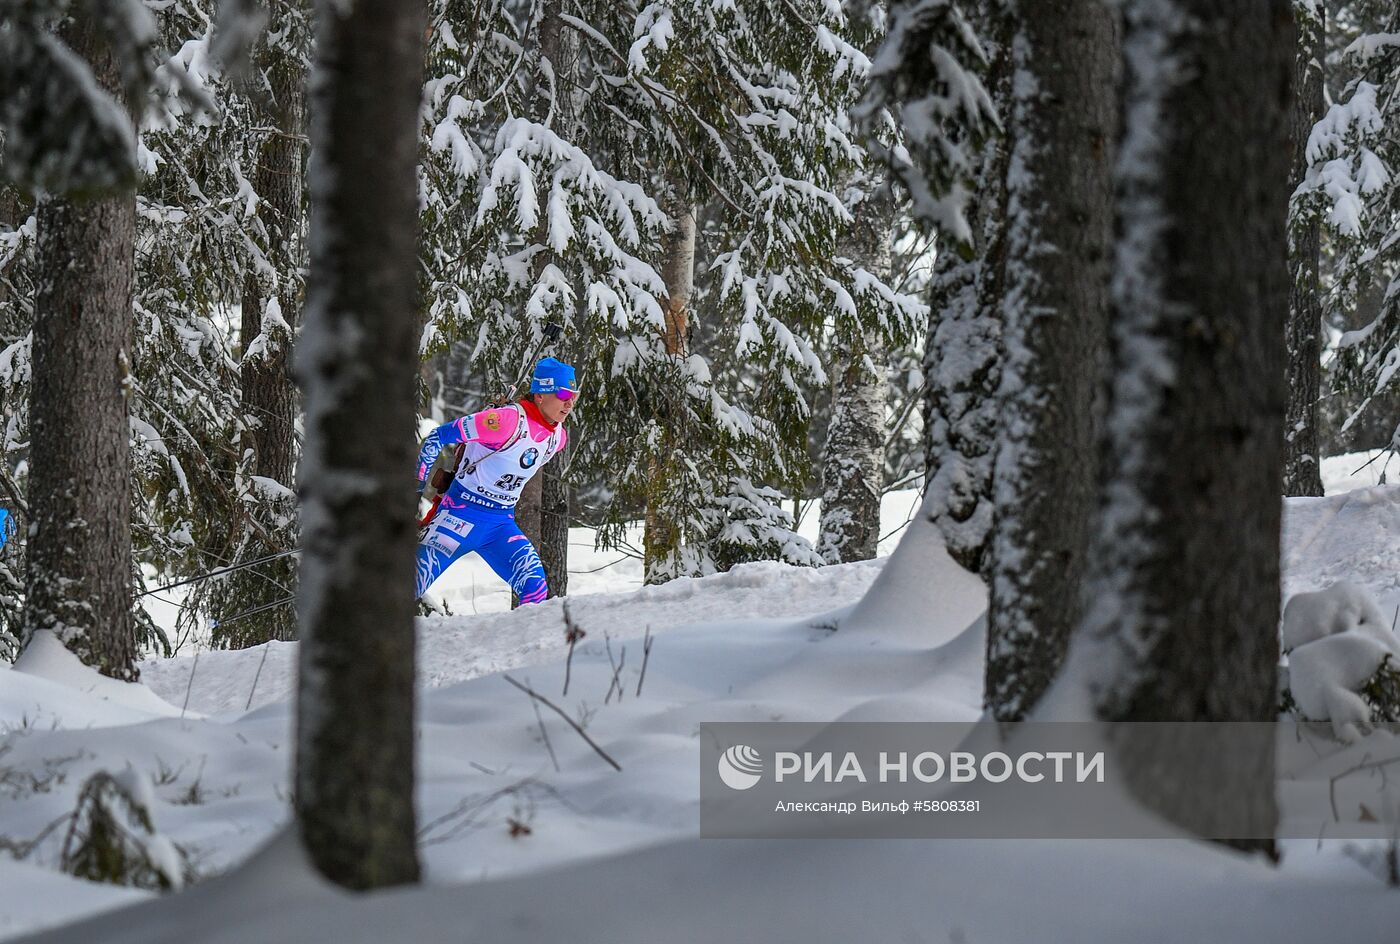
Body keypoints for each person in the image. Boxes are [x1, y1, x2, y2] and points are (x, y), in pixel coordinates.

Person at [414, 357, 577, 602]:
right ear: (540, 394)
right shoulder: (505, 421)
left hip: (500, 525)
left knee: (535, 590)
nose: (570, 403)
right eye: (563, 394)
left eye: (574, 395)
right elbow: (437, 436)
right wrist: (415, 492)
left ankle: (523, 642)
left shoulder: (557, 438)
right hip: (457, 518)